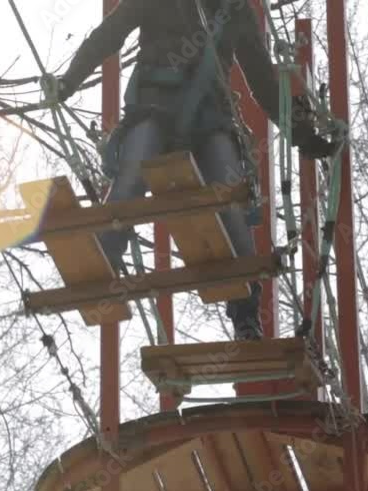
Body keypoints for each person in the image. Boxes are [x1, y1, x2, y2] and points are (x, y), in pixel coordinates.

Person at [40, 0, 335, 340]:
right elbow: (109, 34)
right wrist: (69, 82)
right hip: (155, 106)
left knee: (231, 205)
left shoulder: (235, 10)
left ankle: (246, 315)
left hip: (208, 117)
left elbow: (262, 79)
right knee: (130, 183)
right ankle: (103, 264)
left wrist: (302, 135)